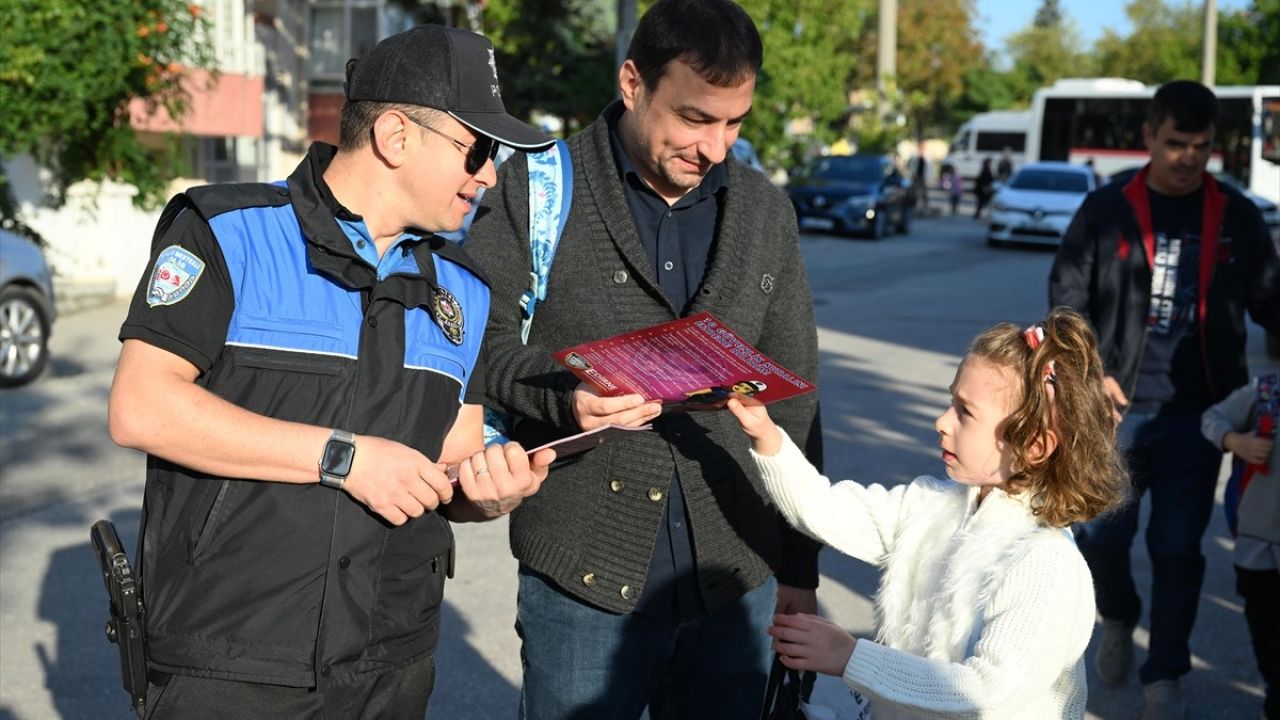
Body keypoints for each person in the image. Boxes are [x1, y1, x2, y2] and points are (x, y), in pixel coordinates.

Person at [107, 25, 557, 719]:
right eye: (479, 149)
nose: (490, 174)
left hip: (390, 664)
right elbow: (142, 407)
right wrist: (341, 458)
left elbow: (454, 461)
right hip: (231, 662)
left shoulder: (463, 289)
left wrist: (490, 492)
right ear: (396, 136)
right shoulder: (228, 233)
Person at [463, 1, 824, 717]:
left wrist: (800, 568)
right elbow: (469, 343)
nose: (716, 147)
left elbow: (798, 401)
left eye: (735, 122)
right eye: (695, 119)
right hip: (581, 583)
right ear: (633, 83)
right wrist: (564, 395)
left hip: (736, 577)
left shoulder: (764, 212)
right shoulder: (538, 190)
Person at [727, 307, 1129, 719]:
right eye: (949, 402)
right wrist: (768, 438)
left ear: (1035, 447)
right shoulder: (930, 506)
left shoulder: (1045, 564)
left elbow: (984, 691)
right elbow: (827, 508)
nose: (941, 421)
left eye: (965, 412)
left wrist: (850, 657)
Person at [1049, 79, 1280, 719]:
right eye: (1175, 143)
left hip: (1200, 416)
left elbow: (1271, 299)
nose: (1187, 157)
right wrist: (1089, 372)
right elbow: (1066, 299)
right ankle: (1118, 615)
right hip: (1115, 412)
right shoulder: (1104, 209)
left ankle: (1165, 676)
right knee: (1101, 539)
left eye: (1200, 146)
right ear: (1149, 137)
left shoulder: (1236, 213)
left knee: (1178, 548)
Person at [1201, 371, 1279, 720]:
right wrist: (1235, 441)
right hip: (1257, 545)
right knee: (1264, 632)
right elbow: (1212, 418)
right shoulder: (1267, 392)